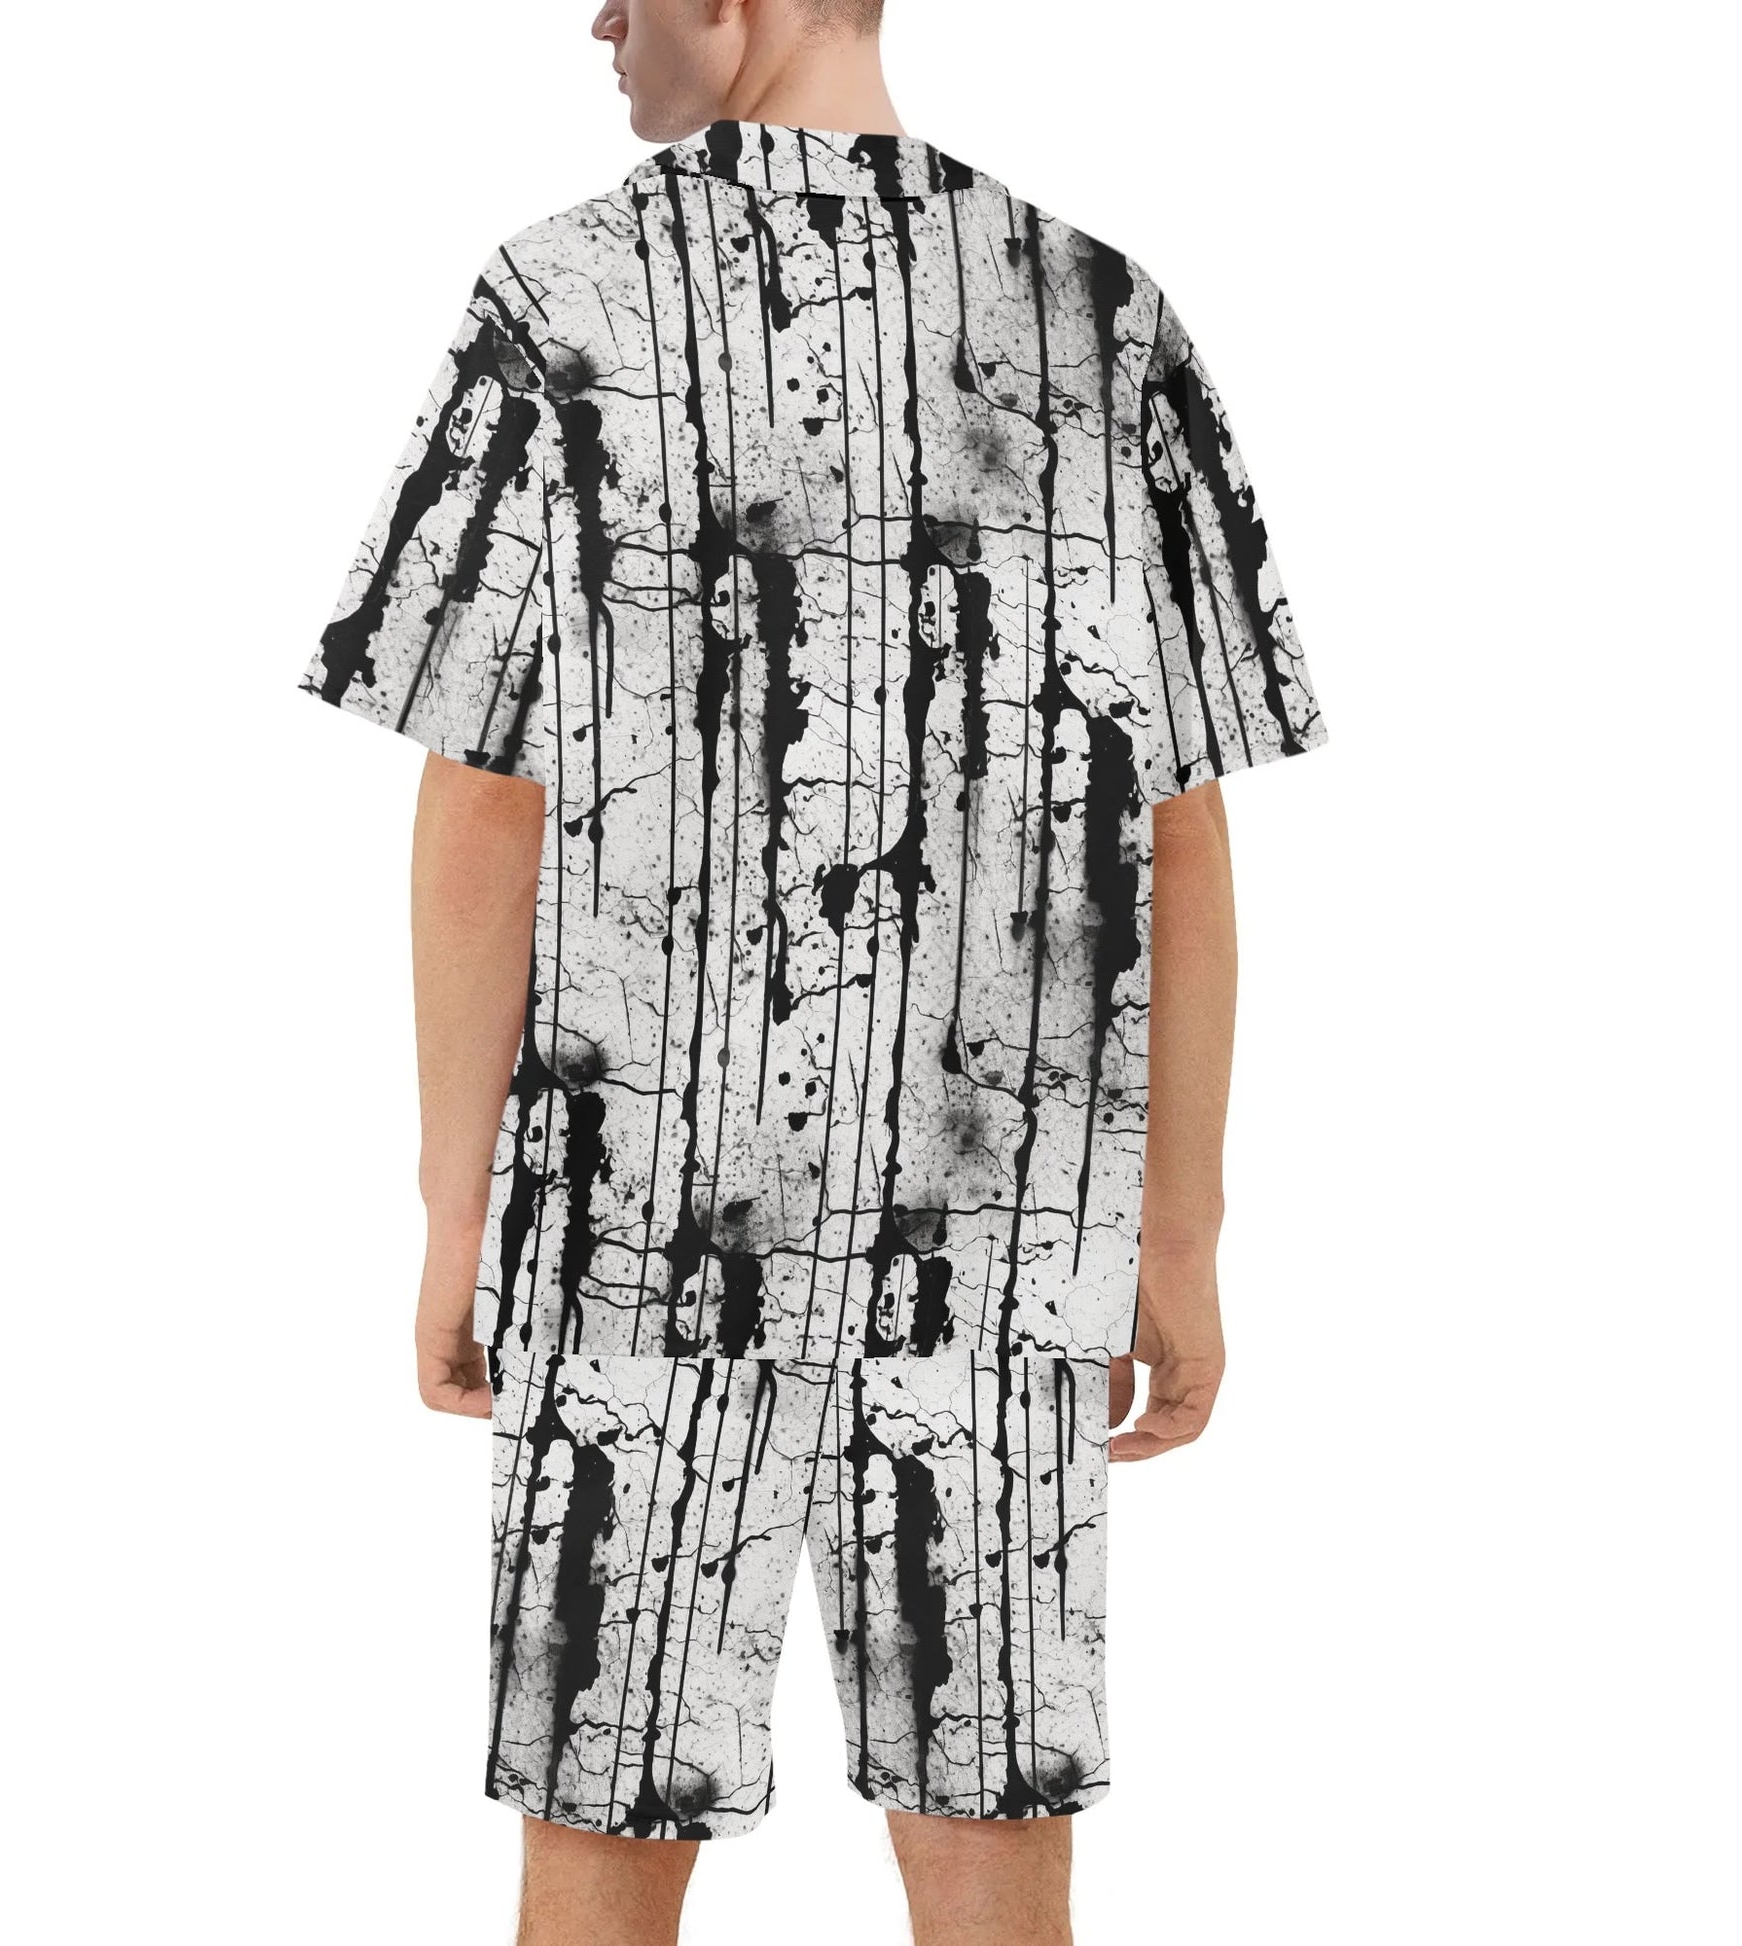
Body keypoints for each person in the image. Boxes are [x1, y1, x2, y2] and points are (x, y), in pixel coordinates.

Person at [300, 3, 1326, 1940]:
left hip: (634, 1225)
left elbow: (485, 799)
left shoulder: (562, 300)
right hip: (1003, 1229)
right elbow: (1176, 823)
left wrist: (455, 1208)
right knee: (992, 1831)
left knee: (598, 1837)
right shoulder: (1097, 314)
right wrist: (1176, 1231)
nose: (599, 19)